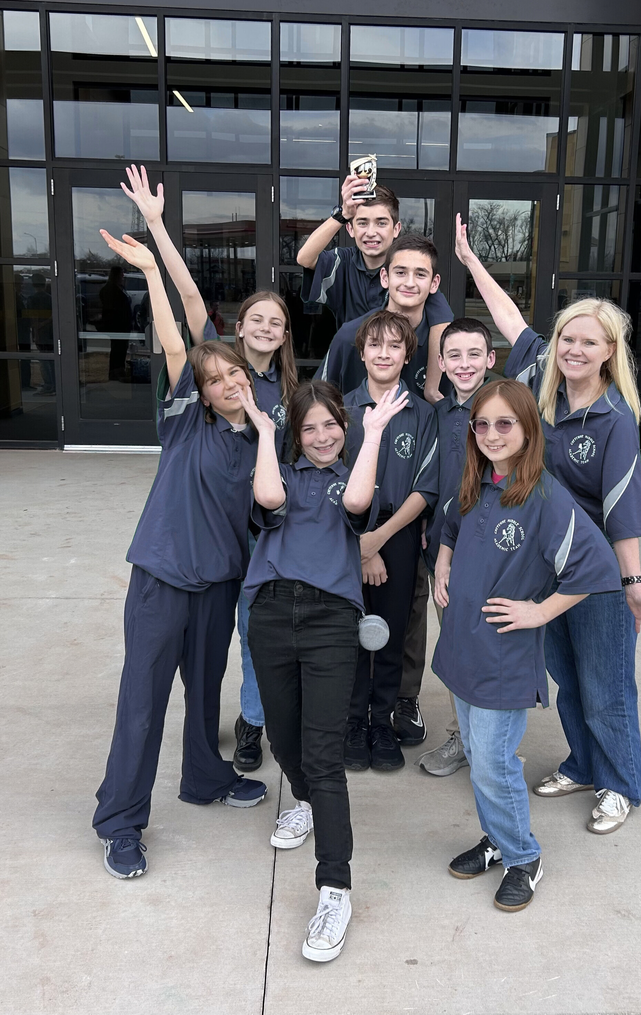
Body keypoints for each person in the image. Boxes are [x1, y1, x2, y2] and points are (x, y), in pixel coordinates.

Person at [455, 213, 641, 834]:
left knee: (607, 686)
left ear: (610, 352)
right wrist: (472, 263)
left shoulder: (615, 420)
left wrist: (632, 586)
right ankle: (582, 763)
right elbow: (508, 320)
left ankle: (619, 784)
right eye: (567, 339)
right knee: (566, 678)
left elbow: (624, 511)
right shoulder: (540, 395)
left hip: (598, 574)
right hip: (540, 570)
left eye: (589, 342)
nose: (574, 349)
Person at [92, 229, 267, 880]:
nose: (224, 383)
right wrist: (147, 270)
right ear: (199, 388)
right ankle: (120, 822)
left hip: (219, 584)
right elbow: (175, 342)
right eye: (213, 378)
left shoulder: (260, 440)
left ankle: (204, 778)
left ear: (250, 381)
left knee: (205, 694)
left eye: (234, 375)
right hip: (163, 579)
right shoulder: (185, 421)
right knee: (142, 699)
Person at [120, 164, 299, 775]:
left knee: (244, 646)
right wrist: (155, 230)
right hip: (185, 545)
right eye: (258, 318)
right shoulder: (204, 380)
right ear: (241, 324)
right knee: (159, 680)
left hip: (247, 540)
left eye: (278, 322)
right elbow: (184, 316)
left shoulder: (282, 394)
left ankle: (241, 732)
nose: (267, 328)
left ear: (284, 335)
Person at [433, 380, 621, 911]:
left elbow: (597, 568)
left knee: (494, 763)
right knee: (475, 754)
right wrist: (444, 561)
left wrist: (539, 611)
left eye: (505, 424)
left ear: (527, 429)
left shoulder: (544, 497)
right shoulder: (474, 483)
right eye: (482, 424)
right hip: (462, 647)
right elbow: (448, 526)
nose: (492, 434)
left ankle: (522, 856)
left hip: (502, 658)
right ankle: (496, 839)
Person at [242, 378, 409, 963]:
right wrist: (267, 432)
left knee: (322, 754)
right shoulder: (281, 476)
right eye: (308, 427)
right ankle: (305, 802)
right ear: (295, 434)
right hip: (268, 612)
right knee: (283, 737)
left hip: (332, 620)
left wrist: (374, 432)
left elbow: (360, 504)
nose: (320, 435)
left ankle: (334, 887)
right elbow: (265, 498)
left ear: (345, 425)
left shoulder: (353, 479)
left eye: (330, 424)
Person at [342, 311, 439, 773]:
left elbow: (426, 488)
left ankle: (382, 722)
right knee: (350, 632)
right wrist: (360, 543)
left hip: (397, 535)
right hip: (345, 537)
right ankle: (352, 721)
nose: (384, 353)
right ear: (361, 352)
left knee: (391, 632)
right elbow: (330, 481)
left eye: (394, 345)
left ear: (407, 355)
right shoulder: (341, 410)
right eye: (375, 345)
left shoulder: (423, 414)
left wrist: (377, 540)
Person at [413, 318, 497, 776]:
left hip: (489, 553)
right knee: (455, 643)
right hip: (441, 554)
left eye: (474, 355)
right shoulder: (438, 416)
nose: (464, 365)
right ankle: (462, 737)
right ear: (441, 364)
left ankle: (488, 745)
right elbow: (432, 481)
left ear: (490, 359)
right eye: (454, 356)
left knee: (487, 645)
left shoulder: (502, 411)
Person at [298, 176, 452, 387]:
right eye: (362, 222)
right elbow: (304, 258)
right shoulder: (342, 262)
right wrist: (343, 214)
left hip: (397, 364)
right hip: (353, 360)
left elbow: (442, 323)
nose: (371, 232)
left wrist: (432, 386)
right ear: (350, 229)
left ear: (396, 229)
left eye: (381, 222)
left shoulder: (408, 274)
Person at [315, 233, 451, 400]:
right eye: (400, 272)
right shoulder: (349, 336)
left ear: (434, 283)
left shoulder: (446, 346)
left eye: (420, 274)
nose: (409, 283)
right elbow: (318, 402)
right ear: (385, 278)